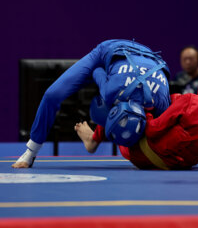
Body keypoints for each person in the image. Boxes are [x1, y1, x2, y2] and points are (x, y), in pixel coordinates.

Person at [12, 39, 171, 168]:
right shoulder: (111, 93)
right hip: (108, 51)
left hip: (150, 57)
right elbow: (97, 71)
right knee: (52, 95)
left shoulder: (163, 103)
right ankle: (30, 152)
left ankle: (93, 138)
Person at [75, 65, 198, 170]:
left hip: (145, 155)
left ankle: (93, 139)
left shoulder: (190, 101)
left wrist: (148, 108)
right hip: (182, 166)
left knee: (124, 98)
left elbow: (153, 130)